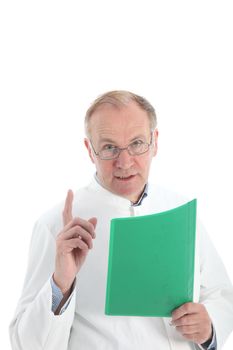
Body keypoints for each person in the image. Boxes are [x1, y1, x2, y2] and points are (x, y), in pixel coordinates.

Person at [10, 90, 233, 350]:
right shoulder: (57, 227)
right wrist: (61, 283)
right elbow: (26, 344)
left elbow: (221, 295)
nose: (125, 162)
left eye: (137, 143)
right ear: (90, 150)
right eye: (109, 147)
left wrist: (209, 329)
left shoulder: (180, 210)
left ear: (155, 142)